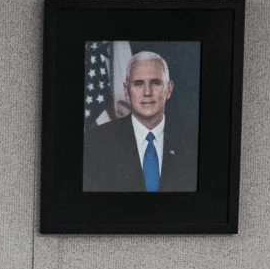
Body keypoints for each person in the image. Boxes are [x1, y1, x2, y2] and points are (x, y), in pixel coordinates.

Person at [82, 50, 194, 193]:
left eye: (155, 82)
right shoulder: (96, 142)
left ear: (169, 89)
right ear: (127, 91)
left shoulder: (191, 143)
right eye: (138, 84)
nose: (147, 92)